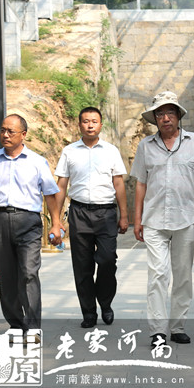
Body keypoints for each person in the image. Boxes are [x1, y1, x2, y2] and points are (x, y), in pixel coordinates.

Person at [130, 91, 194, 349]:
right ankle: (158, 330)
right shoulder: (145, 146)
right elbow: (141, 184)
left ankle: (178, 326)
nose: (165, 118)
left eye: (170, 112)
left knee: (183, 275)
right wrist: (137, 219)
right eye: (160, 113)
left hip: (186, 218)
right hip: (154, 219)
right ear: (155, 118)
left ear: (178, 115)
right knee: (157, 274)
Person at [0, 114, 62, 340]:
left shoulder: (37, 162)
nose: (5, 135)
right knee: (6, 278)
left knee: (28, 273)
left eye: (11, 131)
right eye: (2, 130)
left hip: (28, 223)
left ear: (23, 134)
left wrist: (56, 224)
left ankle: (33, 327)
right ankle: (17, 325)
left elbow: (50, 194)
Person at [54, 107, 129, 329]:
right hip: (79, 213)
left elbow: (118, 183)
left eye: (94, 121)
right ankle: (88, 312)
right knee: (82, 265)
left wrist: (124, 215)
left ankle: (105, 303)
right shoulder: (69, 151)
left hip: (106, 213)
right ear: (79, 125)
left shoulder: (111, 151)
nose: (90, 125)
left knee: (107, 260)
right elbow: (61, 185)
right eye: (86, 121)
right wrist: (56, 220)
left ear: (100, 125)